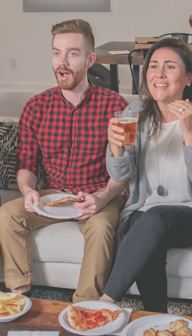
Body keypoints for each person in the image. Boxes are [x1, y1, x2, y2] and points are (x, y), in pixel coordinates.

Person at [0, 19, 128, 302]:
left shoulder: (115, 106)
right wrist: (29, 191)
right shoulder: (36, 106)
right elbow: (26, 166)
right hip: (53, 196)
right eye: (56, 52)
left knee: (102, 228)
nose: (62, 62)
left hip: (98, 194)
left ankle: (85, 308)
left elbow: (126, 171)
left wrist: (103, 198)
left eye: (72, 53)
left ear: (90, 59)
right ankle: (19, 296)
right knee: (8, 214)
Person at [100, 38, 192, 312]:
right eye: (153, 66)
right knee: (145, 227)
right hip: (144, 211)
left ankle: (106, 302)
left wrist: (189, 133)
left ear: (188, 77)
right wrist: (116, 148)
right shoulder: (134, 112)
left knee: (154, 219)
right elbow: (122, 174)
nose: (159, 73)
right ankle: (155, 317)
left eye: (169, 66)